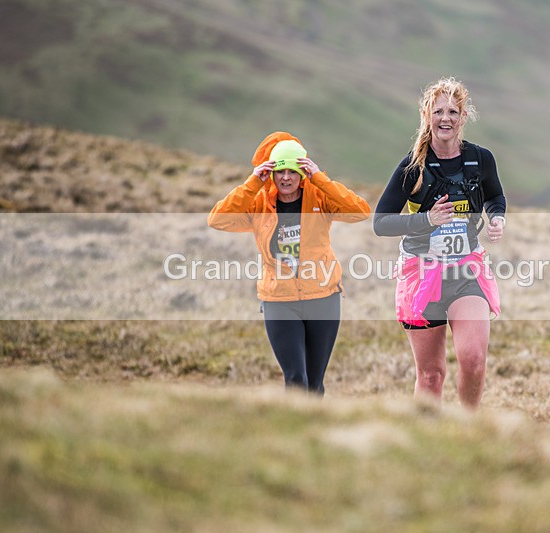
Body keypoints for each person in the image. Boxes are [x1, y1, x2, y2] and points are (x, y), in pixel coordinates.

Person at [373, 77, 506, 410]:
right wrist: (427, 220)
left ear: (463, 117)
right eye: (438, 112)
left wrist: (497, 217)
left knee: (473, 359)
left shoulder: (480, 159)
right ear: (426, 116)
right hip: (422, 275)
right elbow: (381, 223)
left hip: (466, 271)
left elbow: (495, 196)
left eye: (453, 112)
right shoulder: (413, 167)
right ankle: (425, 435)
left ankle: (468, 427)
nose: (445, 118)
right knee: (431, 374)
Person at [208, 132, 370, 395]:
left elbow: (360, 211)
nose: (286, 178)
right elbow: (217, 219)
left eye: (293, 171)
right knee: (295, 378)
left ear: (302, 173)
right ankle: (291, 420)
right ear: (271, 173)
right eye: (280, 171)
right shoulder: (260, 203)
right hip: (279, 300)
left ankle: (310, 423)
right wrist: (253, 182)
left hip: (322, 297)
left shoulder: (319, 198)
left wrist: (320, 178)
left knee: (314, 384)